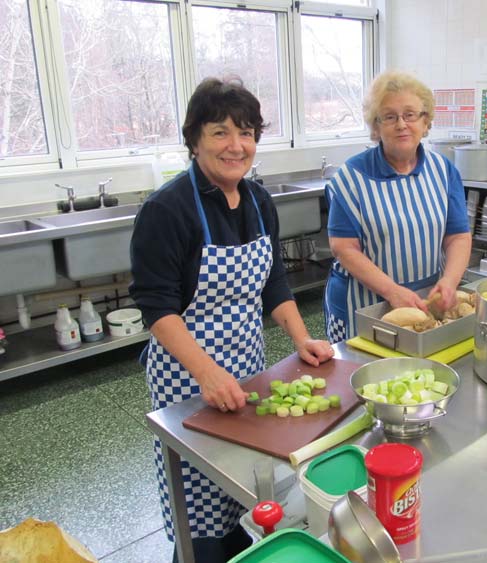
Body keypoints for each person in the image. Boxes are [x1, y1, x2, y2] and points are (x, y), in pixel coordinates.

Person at [129, 77, 334, 562]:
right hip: (187, 377)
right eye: (219, 132)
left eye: (245, 132)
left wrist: (301, 339)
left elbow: (273, 284)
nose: (235, 145)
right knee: (199, 495)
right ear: (195, 138)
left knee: (249, 486)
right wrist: (207, 372)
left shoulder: (260, 202)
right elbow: (157, 309)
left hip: (248, 365)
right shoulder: (167, 209)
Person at [324, 70, 472, 342]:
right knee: (363, 378)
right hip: (363, 305)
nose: (401, 124)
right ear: (376, 127)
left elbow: (458, 236)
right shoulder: (351, 178)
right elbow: (343, 248)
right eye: (389, 117)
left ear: (425, 122)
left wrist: (450, 281)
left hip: (425, 301)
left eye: (410, 114)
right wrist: (392, 291)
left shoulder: (443, 171)